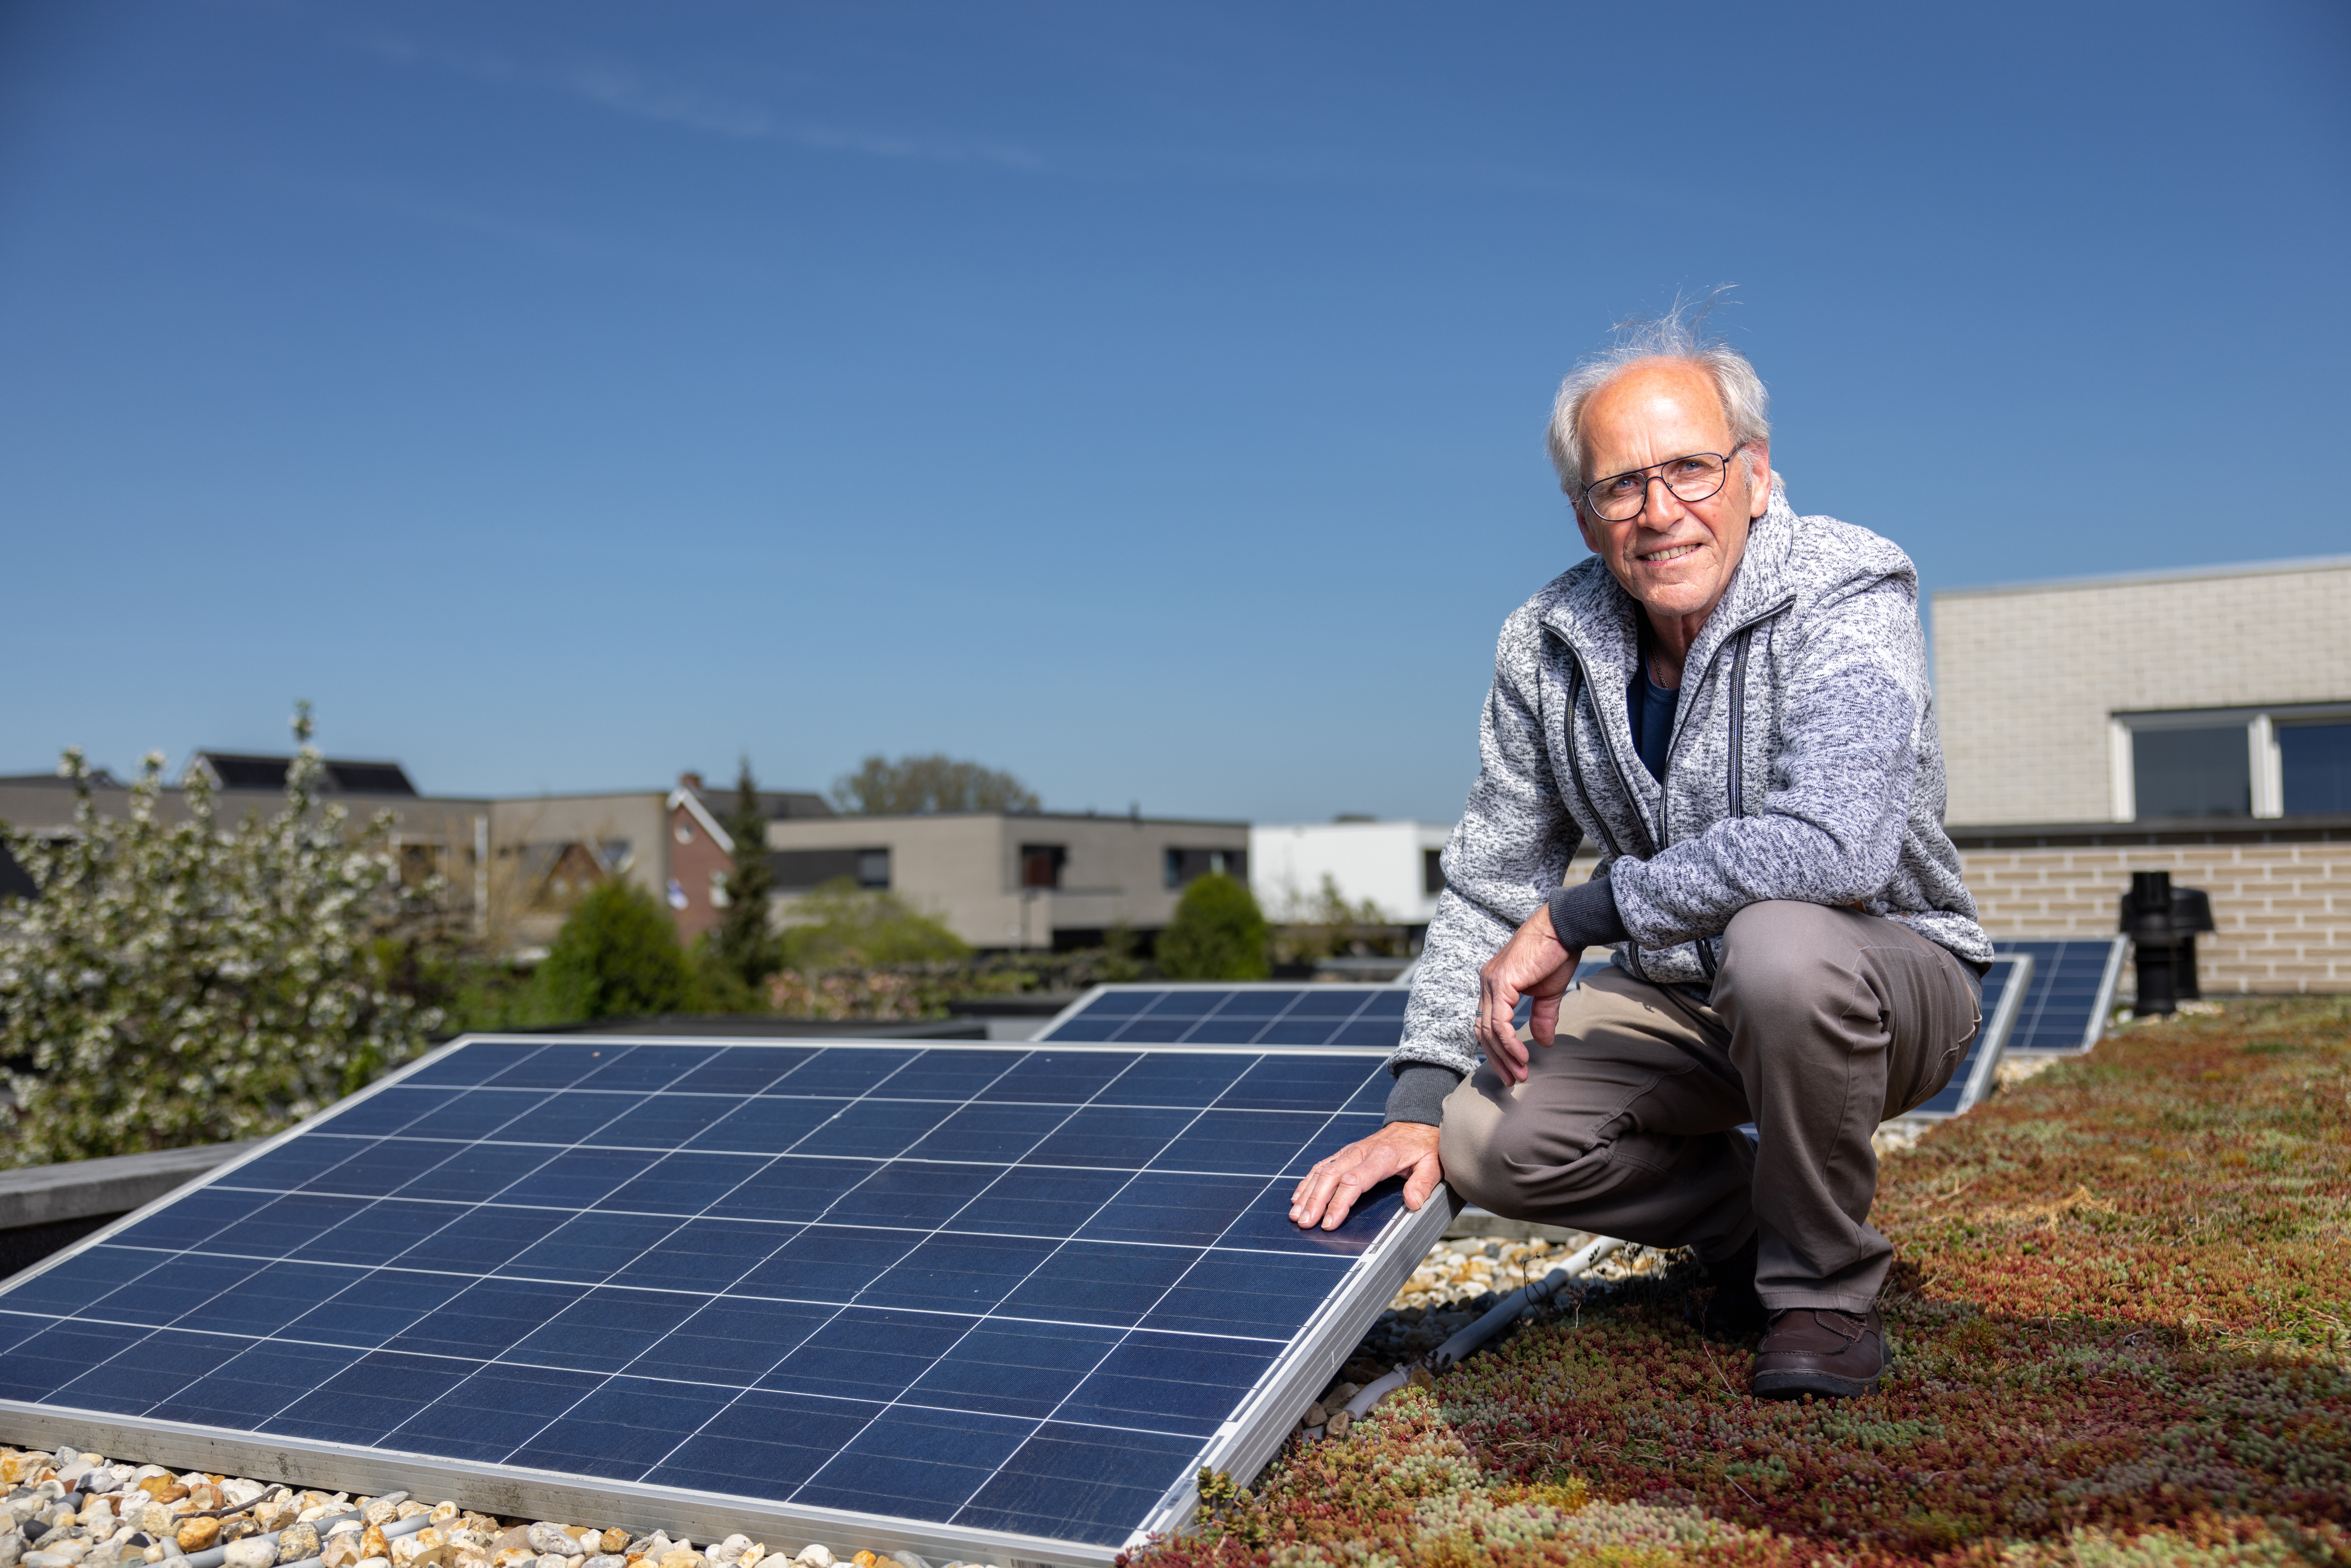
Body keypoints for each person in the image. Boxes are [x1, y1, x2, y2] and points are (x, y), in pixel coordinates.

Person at [1287, 307, 1990, 1400]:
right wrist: (1417, 1107)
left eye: (1693, 470)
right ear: (1584, 517)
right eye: (1622, 486)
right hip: (1684, 997)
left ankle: (1823, 1295)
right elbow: (1493, 874)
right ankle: (1749, 1230)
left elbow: (1838, 845)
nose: (1661, 513)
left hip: (1883, 980)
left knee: (1779, 949)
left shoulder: (1850, 585)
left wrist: (1584, 916)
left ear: (1755, 474)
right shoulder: (1549, 643)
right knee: (1492, 1143)